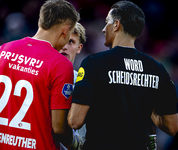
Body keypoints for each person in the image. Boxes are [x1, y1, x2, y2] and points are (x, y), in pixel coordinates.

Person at [67, 1, 178, 150]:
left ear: (116, 25)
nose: (103, 29)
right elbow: (172, 127)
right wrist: (148, 110)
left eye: (107, 22)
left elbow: (75, 121)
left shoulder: (93, 63)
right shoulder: (158, 69)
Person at [0, 0, 80, 150]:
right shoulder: (60, 64)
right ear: (66, 30)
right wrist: (75, 144)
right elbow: (59, 128)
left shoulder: (1, 50)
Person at [59, 22, 86, 150]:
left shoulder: (85, 83)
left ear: (79, 48)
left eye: (70, 42)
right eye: (62, 40)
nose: (65, 46)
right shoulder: (39, 76)